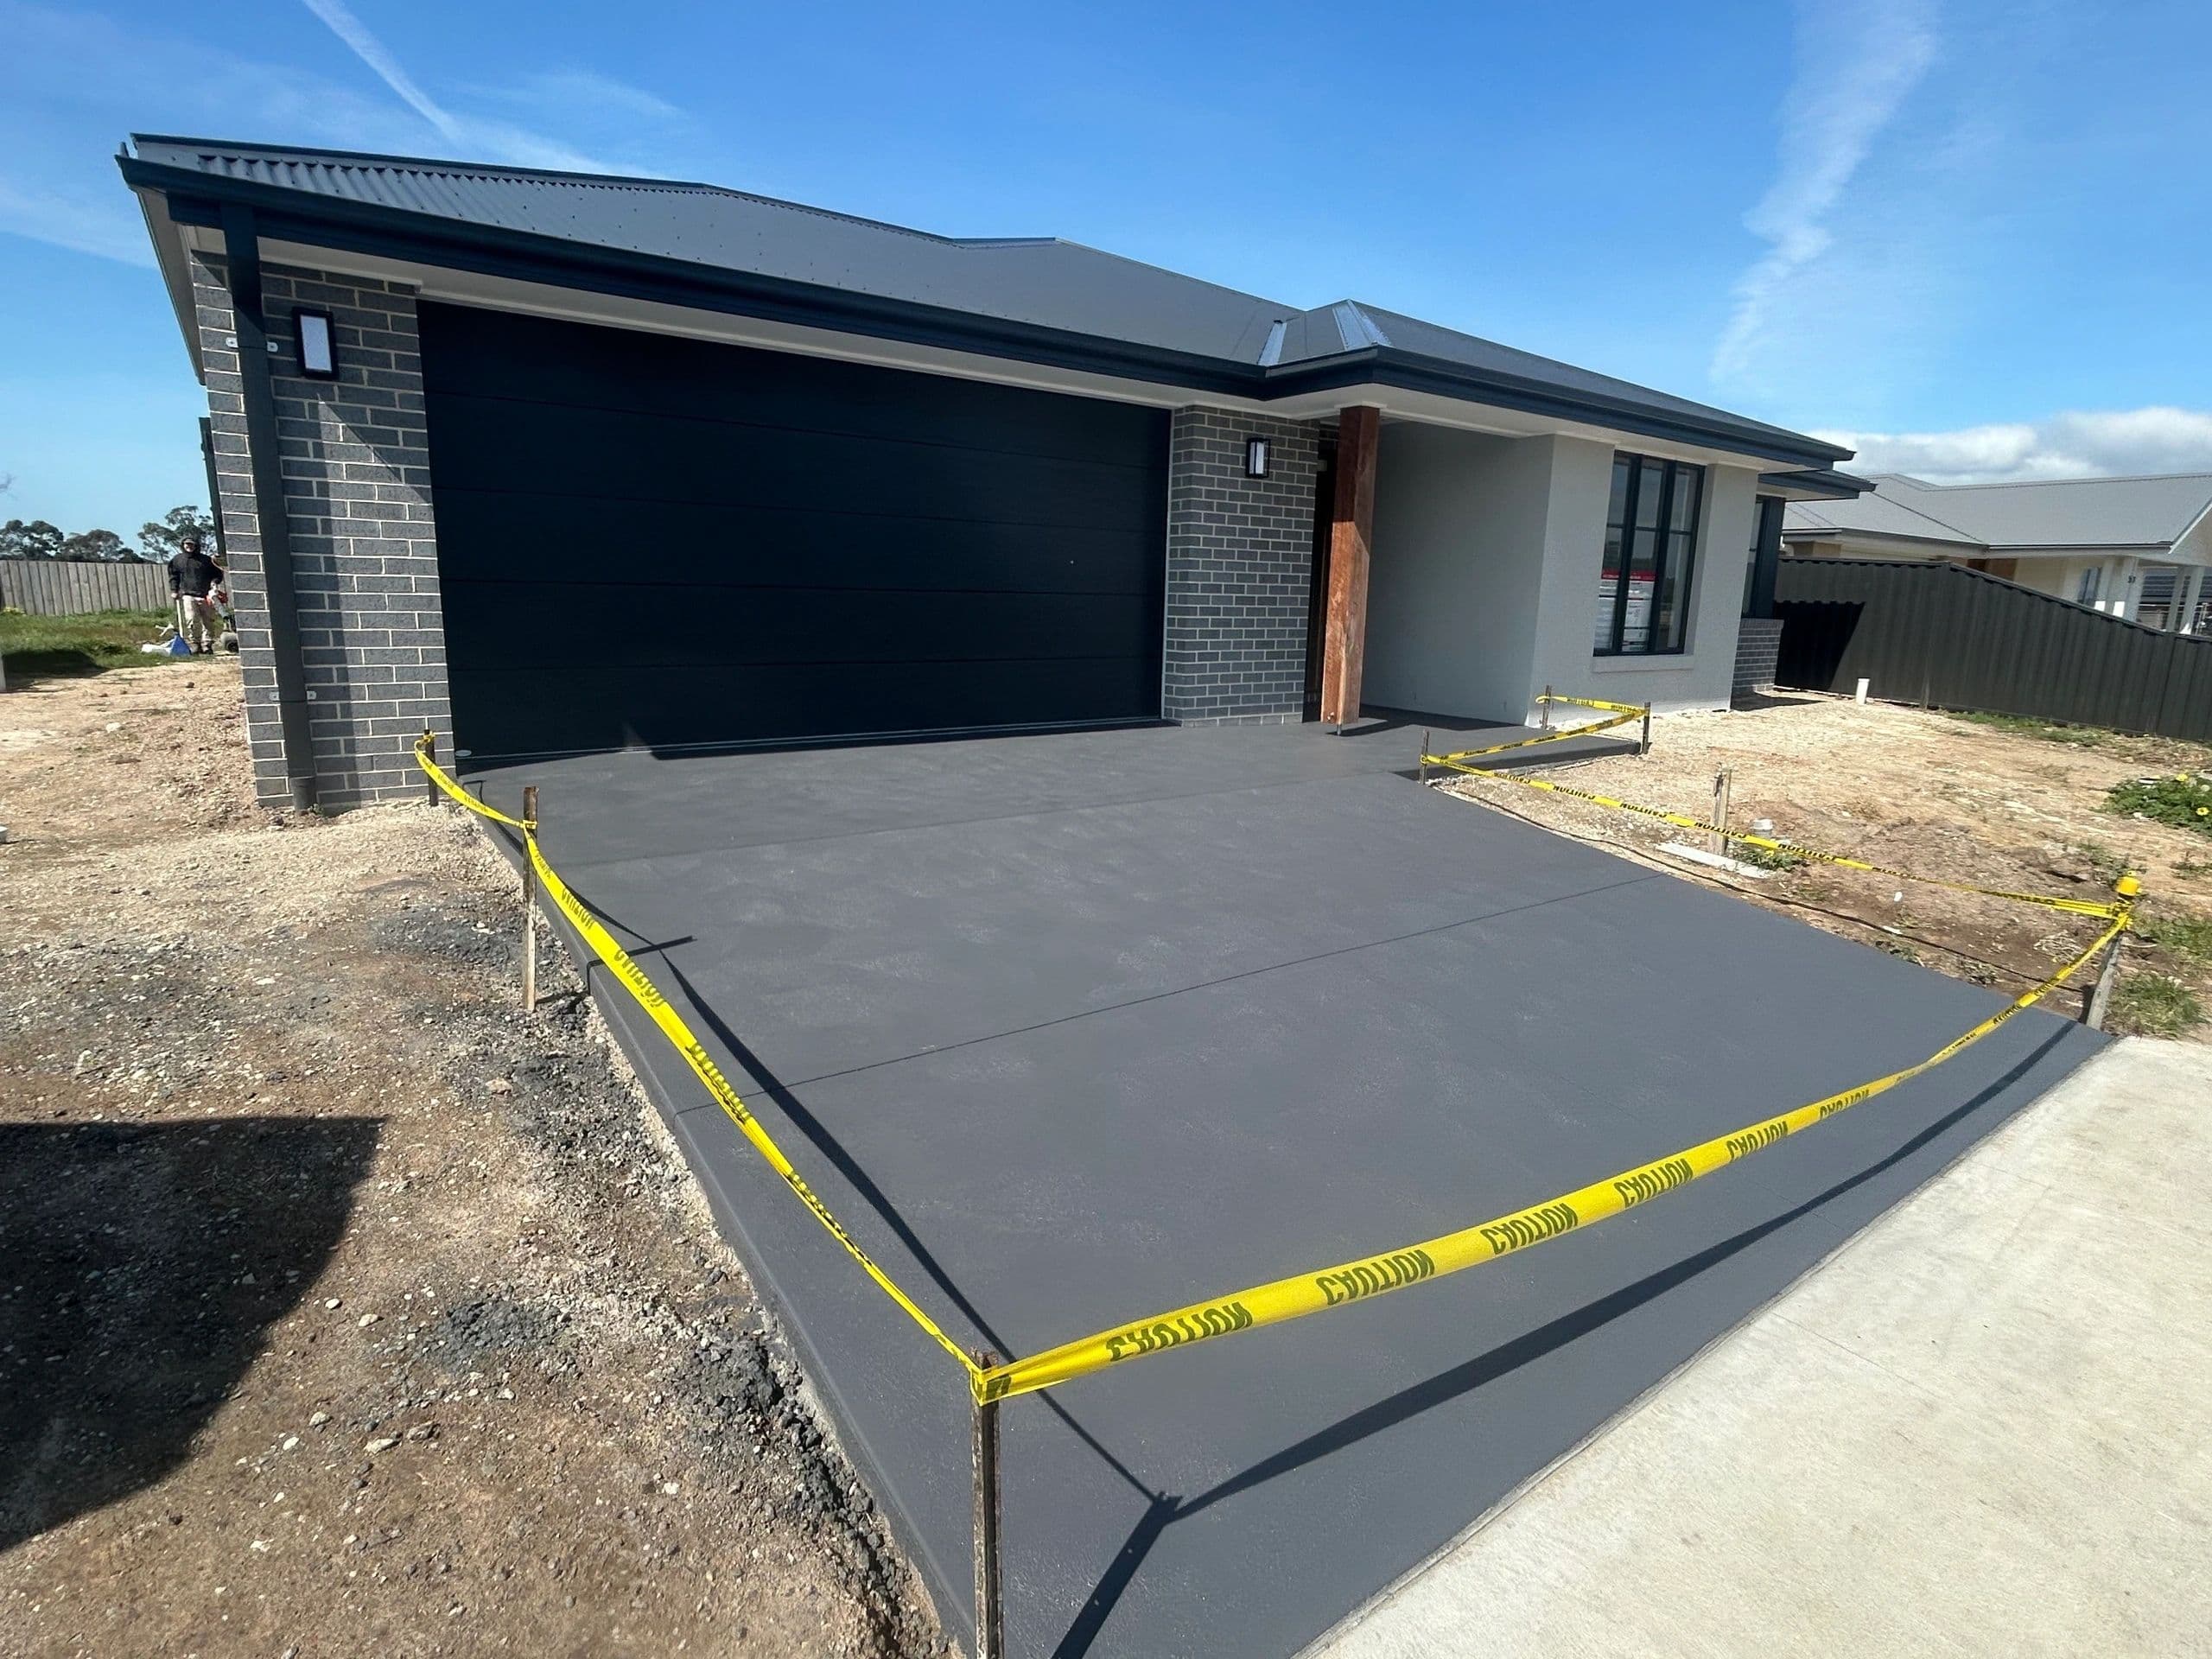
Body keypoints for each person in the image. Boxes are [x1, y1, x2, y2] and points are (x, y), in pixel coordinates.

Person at [167, 535, 223, 654]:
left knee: (208, 621)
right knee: (191, 619)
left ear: (196, 545)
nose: (189, 546)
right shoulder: (177, 560)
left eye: (191, 544)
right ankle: (195, 644)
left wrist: (214, 582)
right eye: (187, 544)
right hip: (188, 594)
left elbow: (218, 573)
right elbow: (173, 576)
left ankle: (207, 644)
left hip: (206, 595)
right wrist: (174, 590)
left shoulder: (206, 560)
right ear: (183, 545)